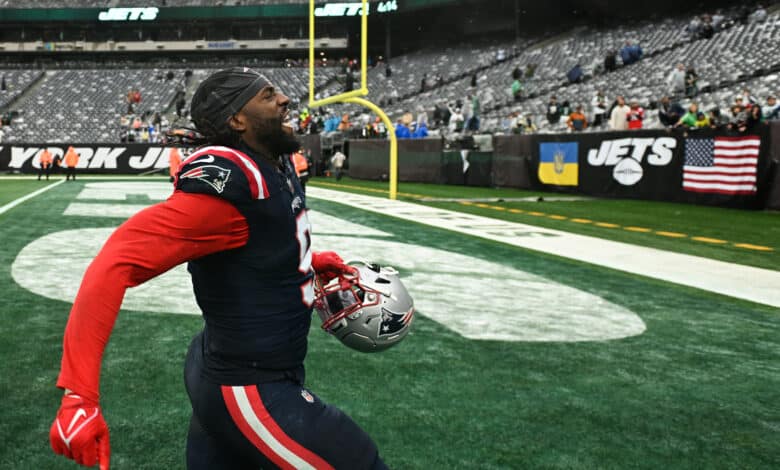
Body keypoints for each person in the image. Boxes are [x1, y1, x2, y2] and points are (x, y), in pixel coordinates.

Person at [49, 67, 388, 470]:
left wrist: (308, 261)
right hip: (248, 386)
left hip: (233, 366)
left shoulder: (273, 164)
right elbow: (113, 264)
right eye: (267, 95)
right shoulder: (231, 184)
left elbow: (256, 243)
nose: (284, 100)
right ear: (237, 120)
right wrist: (78, 396)